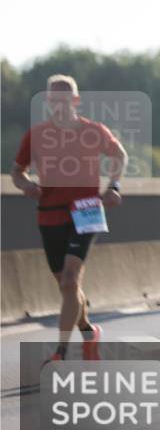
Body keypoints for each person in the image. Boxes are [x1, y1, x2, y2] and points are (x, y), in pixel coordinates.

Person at [12, 74, 128, 364]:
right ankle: (88, 332)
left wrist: (113, 186)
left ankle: (60, 353)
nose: (58, 105)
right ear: (48, 102)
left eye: (64, 99)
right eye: (53, 100)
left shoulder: (93, 130)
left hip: (86, 211)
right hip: (49, 215)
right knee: (67, 285)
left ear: (75, 101)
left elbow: (120, 156)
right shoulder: (36, 134)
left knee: (70, 279)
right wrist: (25, 185)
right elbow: (17, 171)